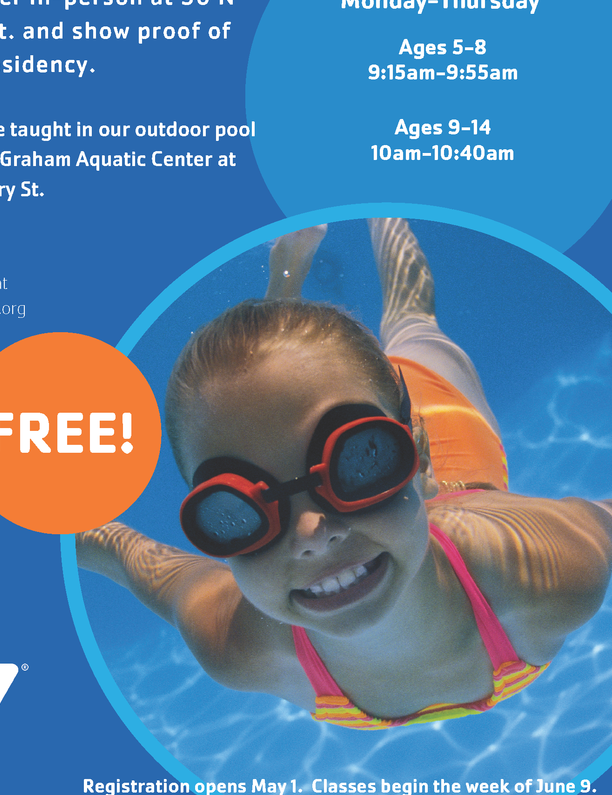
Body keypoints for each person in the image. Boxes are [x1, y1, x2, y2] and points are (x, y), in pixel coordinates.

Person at [77, 220, 612, 729]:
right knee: (284, 387)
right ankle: (287, 310)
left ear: (415, 451)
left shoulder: (550, 573)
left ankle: (381, 205)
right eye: (239, 509)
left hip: (450, 429)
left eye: (362, 462)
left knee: (411, 321)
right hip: (384, 415)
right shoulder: (238, 648)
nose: (313, 533)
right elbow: (119, 552)